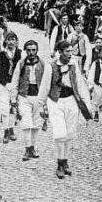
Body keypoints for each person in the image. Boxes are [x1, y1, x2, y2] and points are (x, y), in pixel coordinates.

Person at [37, 40, 92, 179]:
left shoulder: (74, 65)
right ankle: (59, 164)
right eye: (67, 52)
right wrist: (41, 105)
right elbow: (44, 87)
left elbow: (80, 85)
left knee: (70, 133)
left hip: (71, 100)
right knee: (60, 133)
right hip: (55, 100)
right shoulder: (51, 66)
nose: (70, 54)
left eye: (71, 51)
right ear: (60, 52)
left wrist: (87, 105)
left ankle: (65, 160)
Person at [8, 40, 51, 161]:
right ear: (25, 51)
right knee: (26, 122)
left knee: (37, 123)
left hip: (39, 97)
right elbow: (15, 80)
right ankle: (27, 149)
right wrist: (13, 97)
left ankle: (32, 147)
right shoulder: (21, 64)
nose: (31, 52)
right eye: (29, 50)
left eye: (34, 50)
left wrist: (47, 100)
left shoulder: (43, 64)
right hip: (24, 96)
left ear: (37, 50)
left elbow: (48, 82)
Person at [0, 32, 22, 144]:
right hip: (4, 85)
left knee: (14, 107)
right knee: (5, 107)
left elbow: (23, 70)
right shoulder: (0, 55)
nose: (11, 42)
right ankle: (5, 130)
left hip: (15, 86)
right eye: (9, 39)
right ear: (5, 41)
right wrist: (1, 83)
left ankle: (11, 129)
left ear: (16, 41)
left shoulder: (20, 54)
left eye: (13, 39)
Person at [87, 44, 102, 122]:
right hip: (97, 84)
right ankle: (96, 112)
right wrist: (90, 85)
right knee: (97, 99)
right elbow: (91, 74)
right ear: (98, 54)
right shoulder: (95, 63)